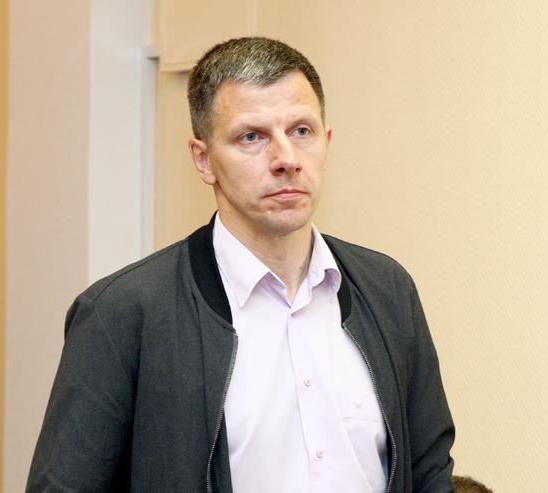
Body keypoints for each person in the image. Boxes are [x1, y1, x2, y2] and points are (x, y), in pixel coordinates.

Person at [27, 37, 455, 492]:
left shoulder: (388, 290)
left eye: (301, 131)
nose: (286, 159)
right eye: (252, 137)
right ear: (204, 160)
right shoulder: (122, 314)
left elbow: (429, 473)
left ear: (326, 143)